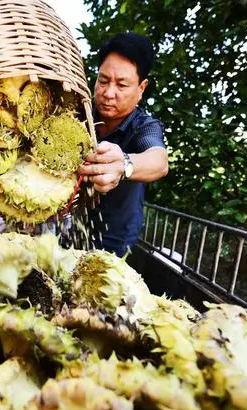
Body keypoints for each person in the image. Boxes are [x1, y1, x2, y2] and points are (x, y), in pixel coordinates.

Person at [78, 31, 169, 257]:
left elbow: (159, 160)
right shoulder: (76, 115)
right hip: (68, 229)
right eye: (103, 80)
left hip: (115, 239)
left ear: (141, 88)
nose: (108, 93)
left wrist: (124, 164)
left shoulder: (144, 126)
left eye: (122, 85)